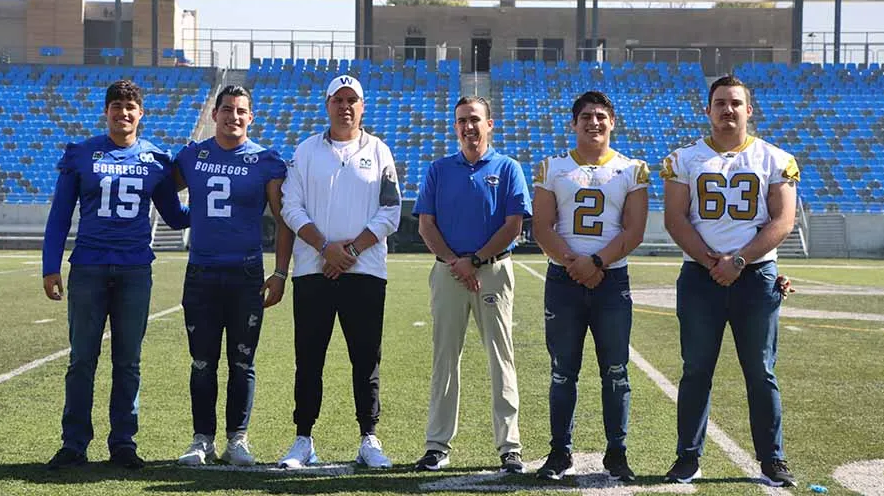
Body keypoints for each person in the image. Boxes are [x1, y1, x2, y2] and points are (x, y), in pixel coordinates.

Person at [42, 79, 189, 470]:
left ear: (141, 114)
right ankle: (74, 443)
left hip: (134, 269)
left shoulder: (156, 159)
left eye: (130, 107)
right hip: (88, 268)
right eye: (116, 106)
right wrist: (49, 266)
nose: (123, 113)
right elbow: (60, 216)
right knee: (82, 360)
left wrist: (216, 209)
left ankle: (123, 442)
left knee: (128, 361)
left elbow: (175, 217)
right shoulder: (81, 154)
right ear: (105, 112)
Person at [661, 75, 800, 487]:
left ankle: (772, 459)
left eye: (736, 103)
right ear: (708, 110)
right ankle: (688, 457)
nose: (728, 110)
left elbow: (783, 220)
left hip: (755, 276)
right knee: (696, 369)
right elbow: (675, 218)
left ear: (748, 110)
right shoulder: (683, 159)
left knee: (760, 370)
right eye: (720, 103)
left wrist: (738, 261)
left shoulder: (775, 158)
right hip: (701, 276)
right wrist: (712, 262)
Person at [278, 75, 400, 469]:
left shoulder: (379, 151)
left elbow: (391, 211)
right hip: (313, 270)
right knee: (309, 358)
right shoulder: (306, 150)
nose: (345, 106)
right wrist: (325, 248)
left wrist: (349, 249)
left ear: (363, 107)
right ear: (327, 105)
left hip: (364, 271)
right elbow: (291, 208)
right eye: (338, 100)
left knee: (366, 359)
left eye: (353, 100)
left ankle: (369, 437)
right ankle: (303, 439)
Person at [172, 85, 295, 467]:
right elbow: (160, 189)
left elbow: (283, 219)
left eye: (241, 111)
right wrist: (179, 219)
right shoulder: (193, 155)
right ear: (215, 114)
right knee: (202, 361)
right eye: (227, 110)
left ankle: (237, 439)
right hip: (202, 271)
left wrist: (279, 272)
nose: (233, 117)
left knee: (243, 361)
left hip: (245, 273)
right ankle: (202, 439)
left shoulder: (266, 161)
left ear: (250, 117)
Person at [531, 91, 649, 482]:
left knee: (616, 371)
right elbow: (542, 227)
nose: (593, 122)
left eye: (600, 116)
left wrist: (596, 262)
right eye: (585, 116)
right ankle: (559, 452)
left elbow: (634, 230)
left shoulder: (632, 170)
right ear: (573, 123)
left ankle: (617, 453)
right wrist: (575, 263)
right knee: (563, 371)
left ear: (612, 122)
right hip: (564, 279)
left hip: (611, 280)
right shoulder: (553, 168)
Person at [412, 96, 532, 474]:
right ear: (455, 126)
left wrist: (475, 260)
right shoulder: (438, 169)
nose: (469, 126)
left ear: (490, 124)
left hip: (493, 271)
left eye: (475, 119)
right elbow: (425, 225)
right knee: (444, 358)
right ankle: (437, 444)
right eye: (462, 120)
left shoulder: (508, 168)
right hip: (448, 272)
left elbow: (514, 225)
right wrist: (455, 262)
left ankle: (509, 446)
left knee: (501, 358)